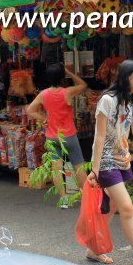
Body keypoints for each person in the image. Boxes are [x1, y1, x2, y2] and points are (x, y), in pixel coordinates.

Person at [86, 60, 133, 264]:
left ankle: (93, 249)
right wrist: (94, 170)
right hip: (105, 161)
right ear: (127, 76)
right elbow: (99, 136)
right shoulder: (107, 100)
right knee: (127, 207)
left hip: (122, 160)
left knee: (114, 205)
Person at [26, 64, 88, 209]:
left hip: (52, 136)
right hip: (69, 136)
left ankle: (64, 199)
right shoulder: (67, 92)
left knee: (57, 169)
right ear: (62, 77)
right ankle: (86, 198)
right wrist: (70, 73)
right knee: (79, 167)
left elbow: (30, 110)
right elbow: (83, 85)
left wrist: (43, 119)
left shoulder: (44, 94)